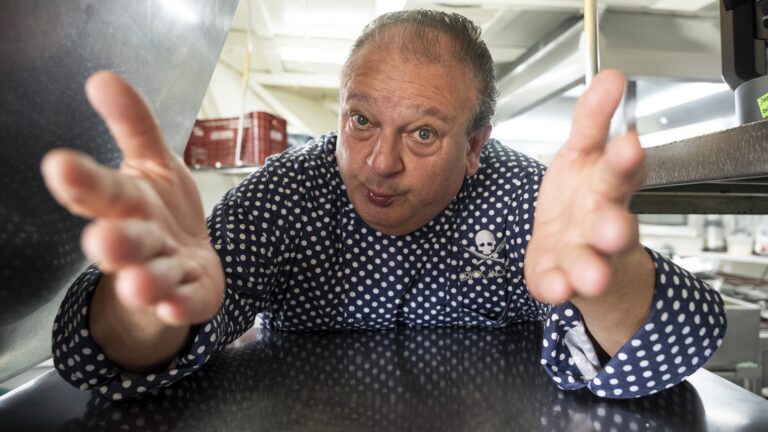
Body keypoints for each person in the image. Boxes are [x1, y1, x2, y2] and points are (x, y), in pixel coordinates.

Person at [42, 10, 725, 401]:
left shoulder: (526, 197)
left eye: (423, 133)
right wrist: (144, 310)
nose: (378, 161)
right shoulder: (285, 196)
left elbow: (686, 346)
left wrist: (613, 283)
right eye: (361, 121)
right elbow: (91, 365)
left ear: (476, 144)